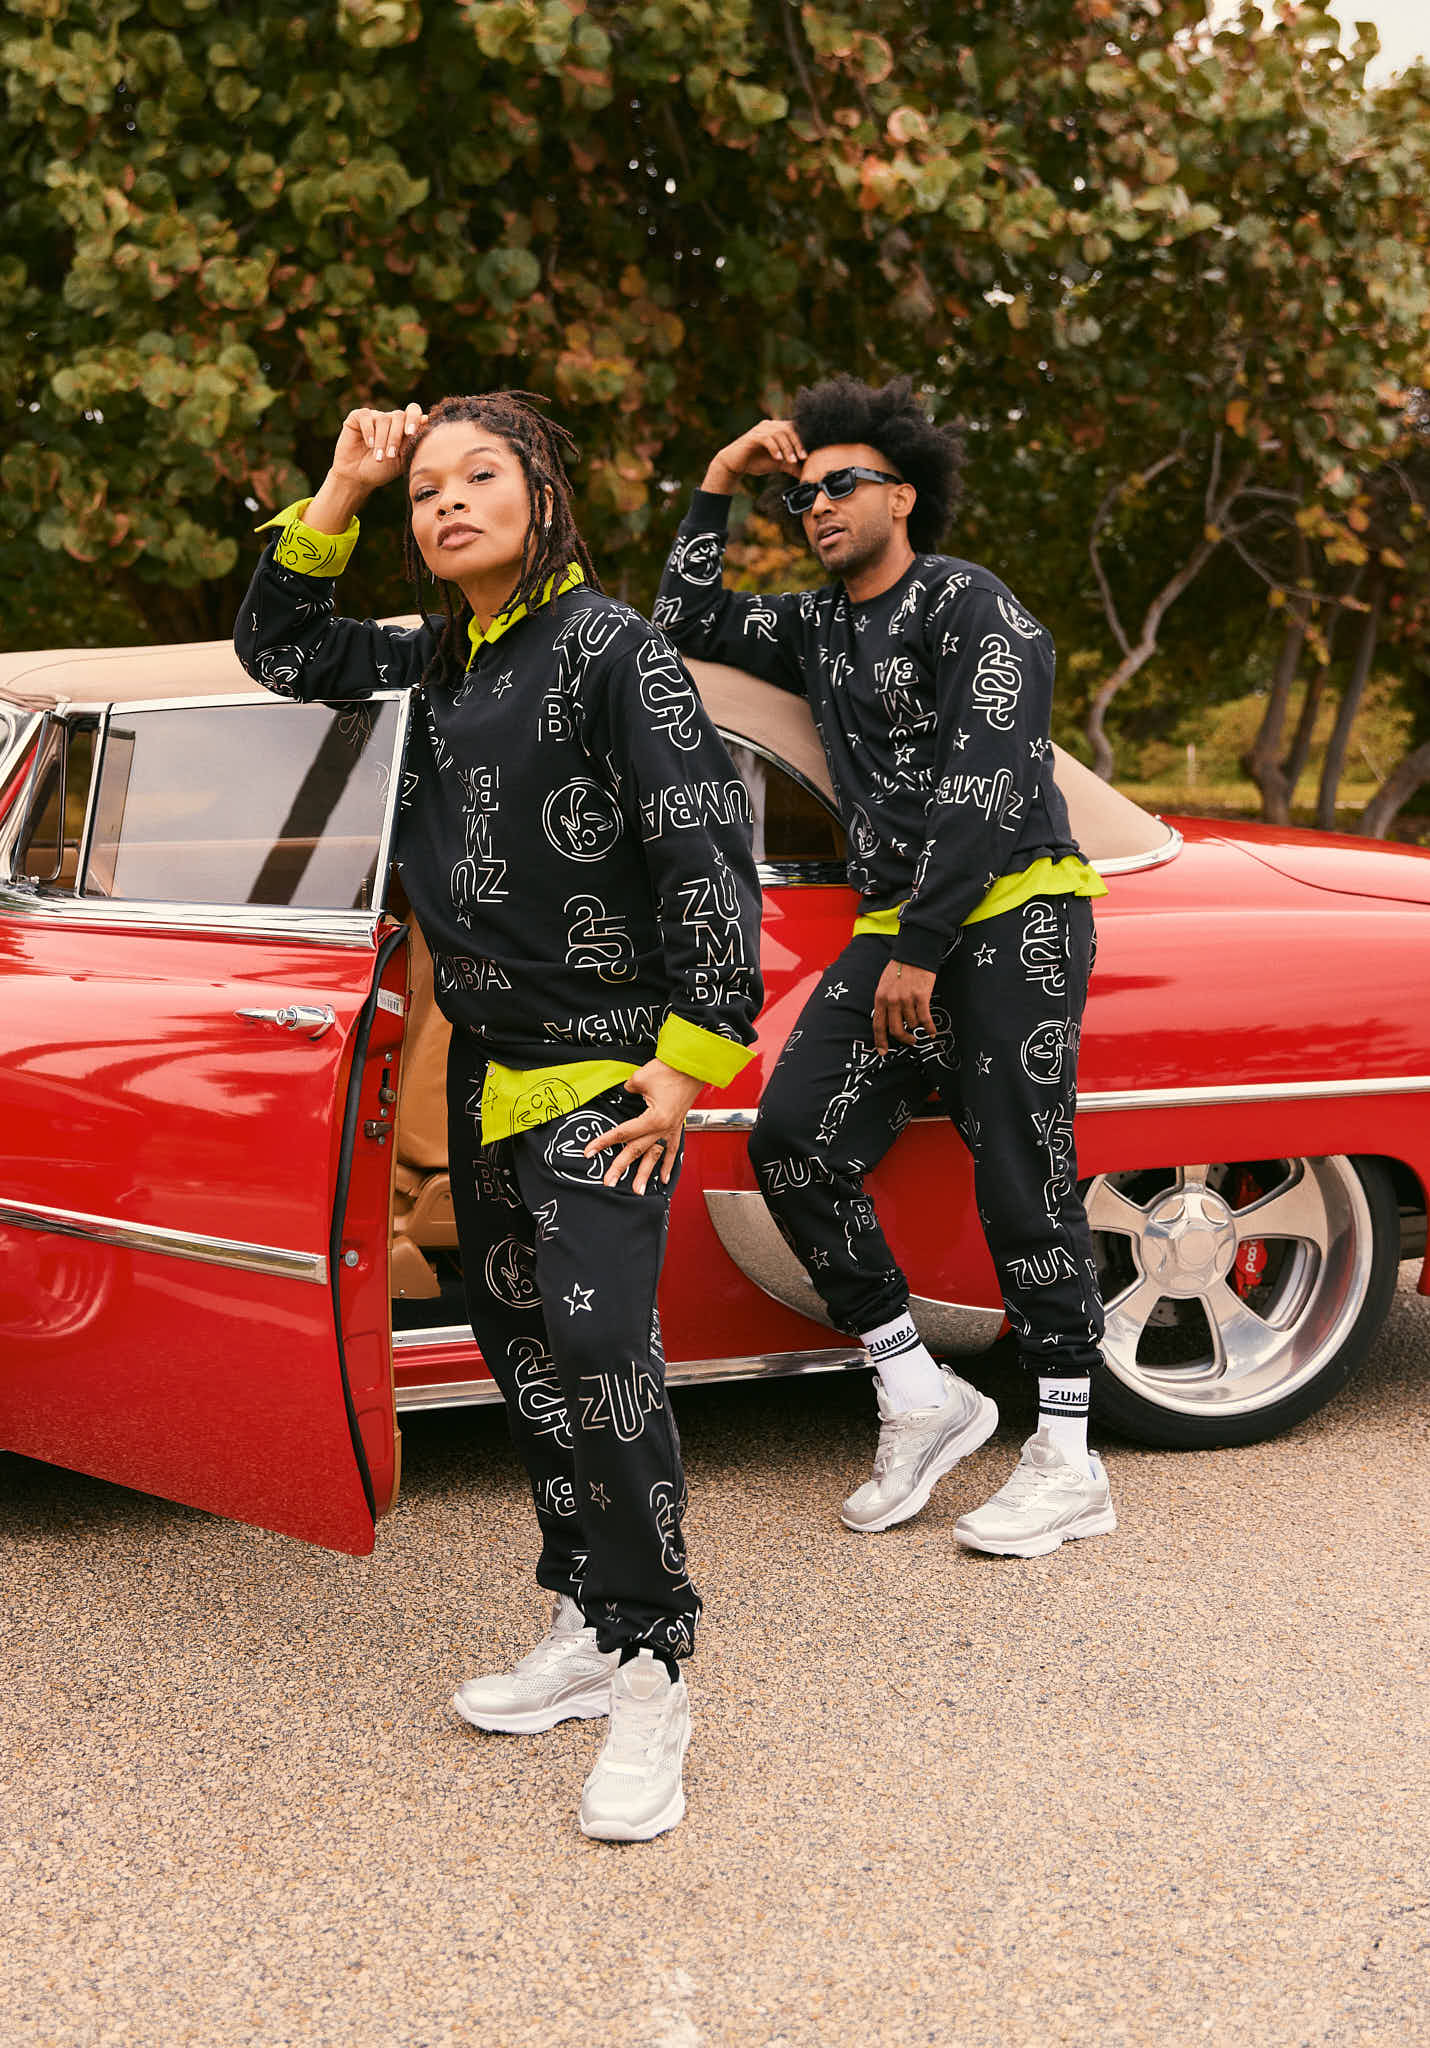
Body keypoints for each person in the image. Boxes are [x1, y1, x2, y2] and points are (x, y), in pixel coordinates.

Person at [234, 392, 762, 1840]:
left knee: (599, 1353)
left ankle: (656, 1666)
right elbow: (279, 649)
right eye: (427, 492)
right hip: (485, 1065)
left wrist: (690, 1061)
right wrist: (341, 484)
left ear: (543, 492)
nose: (446, 503)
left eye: (481, 477)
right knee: (519, 1342)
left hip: (606, 1076)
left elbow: (706, 853)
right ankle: (588, 1625)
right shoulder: (436, 657)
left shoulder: (616, 652)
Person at [655, 373, 1116, 1559]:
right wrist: (715, 483)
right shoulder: (817, 627)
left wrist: (921, 942)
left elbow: (990, 779)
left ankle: (1068, 1454)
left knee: (1021, 1157)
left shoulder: (977, 607)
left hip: (1014, 911)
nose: (814, 507)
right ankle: (919, 1392)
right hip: (895, 929)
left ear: (903, 494)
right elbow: (683, 624)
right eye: (799, 494)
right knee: (792, 1142)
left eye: (840, 485)